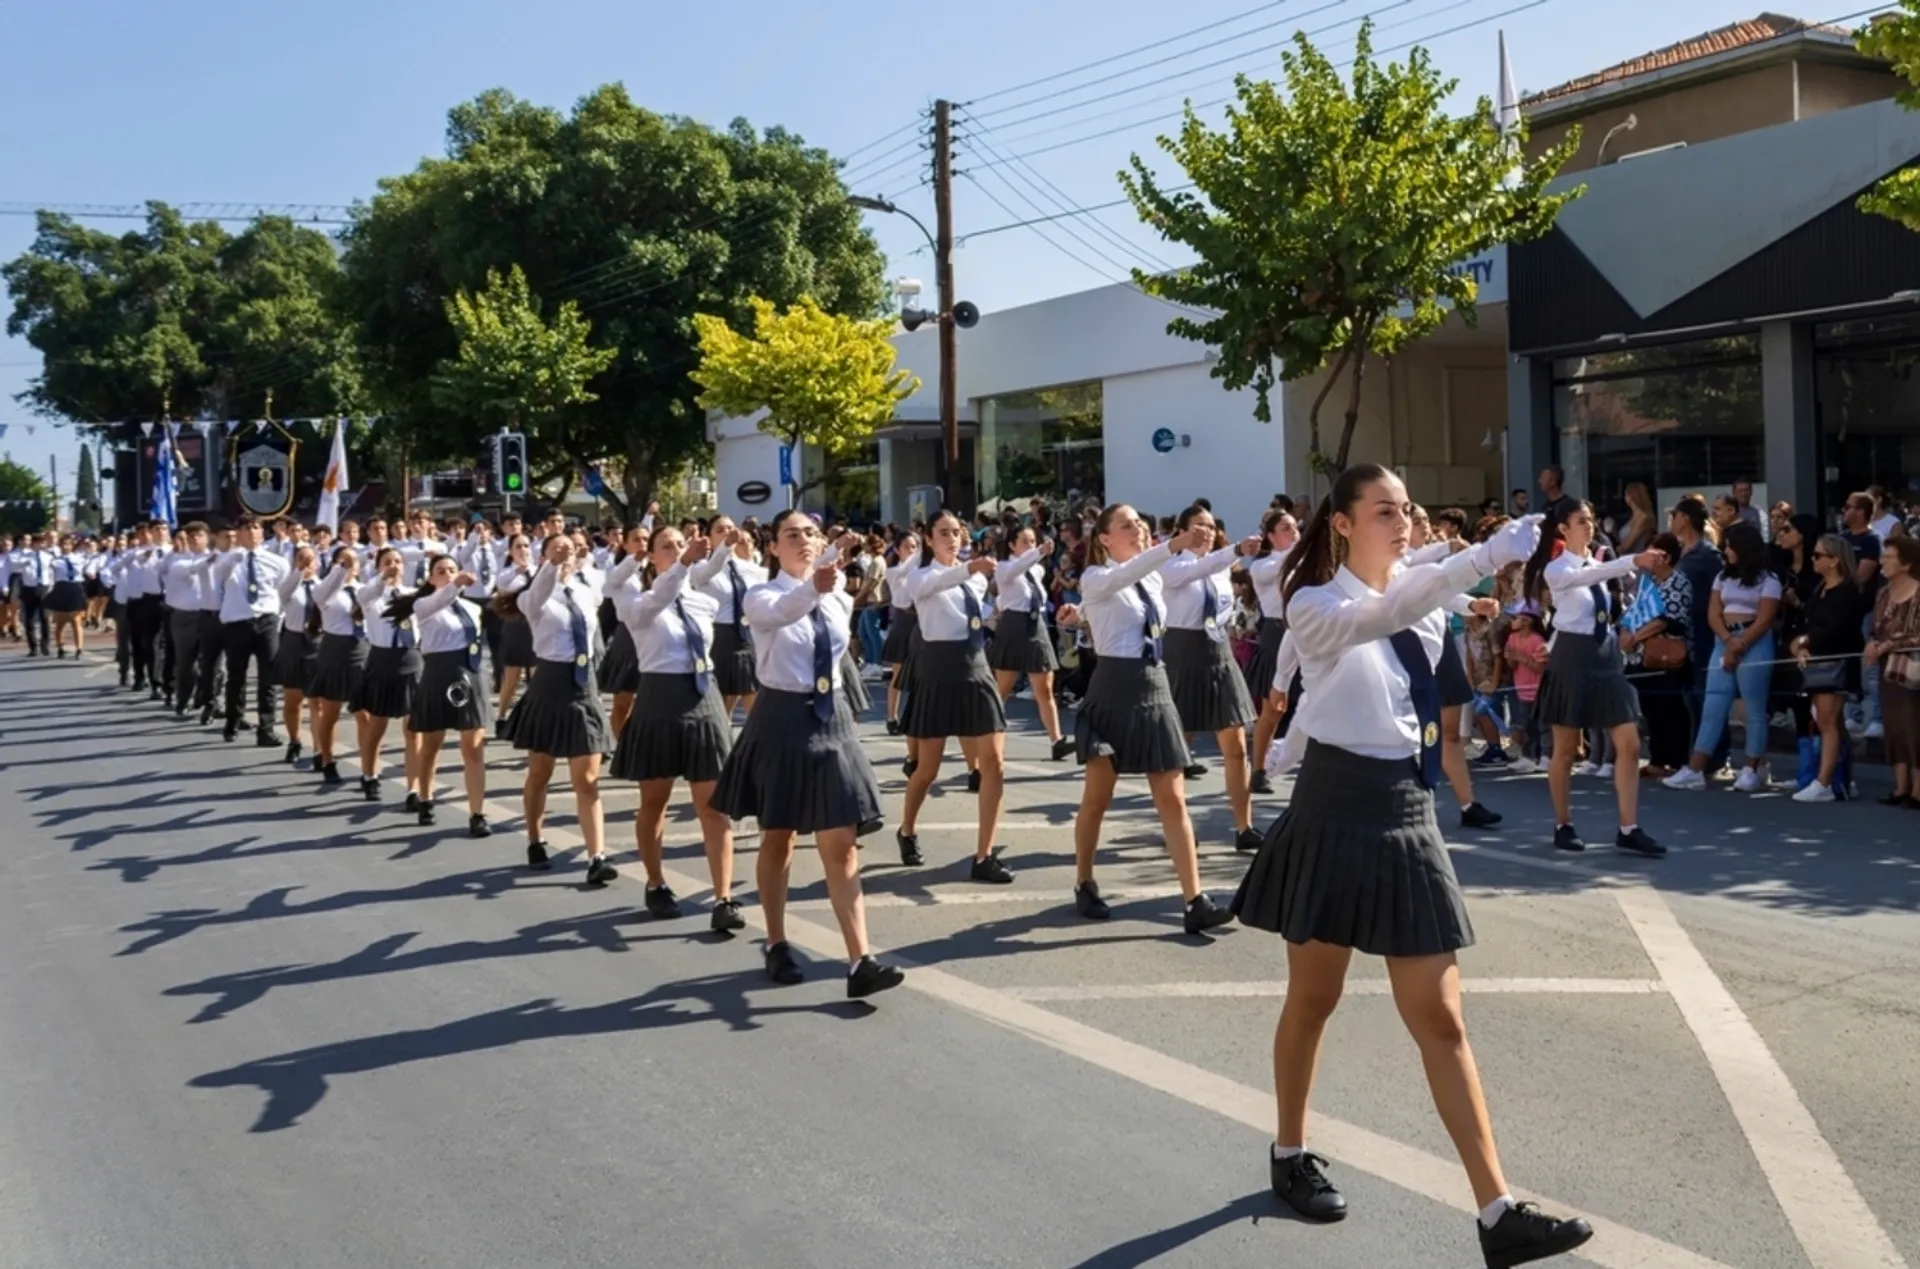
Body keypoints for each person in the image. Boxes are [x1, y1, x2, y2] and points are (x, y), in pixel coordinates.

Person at [1230, 466, 1591, 1265]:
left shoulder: (1420, 594)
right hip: (1333, 803)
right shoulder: (1314, 603)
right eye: (1384, 511)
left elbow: (1417, 598)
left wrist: (1480, 575)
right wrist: (1478, 557)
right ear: (1344, 525)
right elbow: (1386, 608)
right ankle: (1289, 1151)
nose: (1402, 522)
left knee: (1442, 1015)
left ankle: (1497, 1211)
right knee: (1314, 998)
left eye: (1406, 510)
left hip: (1405, 805)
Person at [709, 508, 903, 998]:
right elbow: (784, 611)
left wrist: (832, 565)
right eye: (791, 534)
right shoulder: (761, 595)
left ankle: (861, 959)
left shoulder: (834, 594)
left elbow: (835, 648)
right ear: (772, 547)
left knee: (841, 843)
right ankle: (775, 940)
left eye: (811, 534)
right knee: (780, 838)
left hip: (830, 716)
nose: (802, 540)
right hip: (781, 717)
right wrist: (817, 582)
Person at [1055, 506, 1233, 935]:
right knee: (1098, 797)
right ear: (1103, 539)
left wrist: (1082, 616)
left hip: (1155, 685)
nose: (1136, 529)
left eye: (1139, 524)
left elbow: (1144, 594)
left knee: (1173, 797)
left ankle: (1194, 899)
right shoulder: (1096, 576)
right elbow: (1119, 580)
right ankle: (1084, 880)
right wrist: (1171, 545)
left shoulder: (1152, 576)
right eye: (1125, 525)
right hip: (1113, 688)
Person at [609, 524, 746, 931]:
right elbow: (662, 593)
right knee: (655, 803)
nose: (675, 550)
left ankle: (723, 897)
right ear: (651, 557)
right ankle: (655, 881)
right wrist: (683, 565)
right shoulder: (638, 602)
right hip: (658, 701)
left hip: (702, 697)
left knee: (713, 806)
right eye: (665, 547)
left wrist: (720, 551)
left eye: (680, 545)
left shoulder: (702, 602)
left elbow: (705, 582)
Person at [1522, 501, 1666, 856]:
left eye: (1590, 520)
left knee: (1629, 743)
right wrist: (1632, 560)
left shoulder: (1596, 566)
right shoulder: (1558, 570)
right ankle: (1563, 822)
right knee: (1567, 750)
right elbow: (1577, 595)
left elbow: (1574, 614)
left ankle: (1628, 827)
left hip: (1604, 655)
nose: (1589, 526)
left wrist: (1549, 644)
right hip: (1573, 659)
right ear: (1563, 529)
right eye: (1581, 521)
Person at [893, 509, 1013, 882]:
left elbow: (976, 615)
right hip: (939, 673)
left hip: (975, 668)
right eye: (943, 533)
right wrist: (970, 569)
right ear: (928, 538)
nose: (952, 538)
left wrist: (1000, 613)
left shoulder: (972, 581)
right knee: (927, 768)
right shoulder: (920, 576)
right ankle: (907, 829)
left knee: (993, 764)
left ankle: (984, 856)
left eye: (957, 533)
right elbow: (934, 587)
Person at [1157, 502, 1264, 851]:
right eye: (1196, 526)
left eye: (1209, 526)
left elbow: (1223, 603)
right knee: (1178, 749)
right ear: (1182, 531)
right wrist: (1234, 551)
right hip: (1182, 654)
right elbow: (1195, 571)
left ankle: (1244, 826)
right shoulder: (1171, 565)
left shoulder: (1220, 569)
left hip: (1218, 653)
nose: (1205, 532)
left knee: (1234, 748)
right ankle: (1178, 826)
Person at [508, 534, 615, 878]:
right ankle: (535, 838)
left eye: (569, 550)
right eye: (556, 550)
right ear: (543, 557)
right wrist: (553, 564)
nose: (565, 555)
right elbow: (538, 593)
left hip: (584, 685)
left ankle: (596, 857)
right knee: (540, 773)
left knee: (586, 778)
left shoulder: (585, 591)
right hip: (550, 685)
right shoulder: (533, 597)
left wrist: (587, 559)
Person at [1661, 522, 1781, 794]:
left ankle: (1751, 768)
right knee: (1713, 704)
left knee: (1754, 706)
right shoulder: (1723, 577)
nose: (1726, 551)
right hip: (1723, 640)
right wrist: (1728, 641)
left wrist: (1740, 644)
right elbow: (1713, 613)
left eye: (1731, 546)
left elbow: (1764, 620)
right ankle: (1695, 768)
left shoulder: (1769, 580)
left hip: (1755, 642)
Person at [393, 554, 495, 834]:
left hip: (469, 672)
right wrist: (456, 585)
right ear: (431, 578)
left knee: (473, 745)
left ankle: (477, 813)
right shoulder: (425, 604)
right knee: (432, 743)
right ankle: (425, 797)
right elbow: (440, 600)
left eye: (452, 569)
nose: (448, 574)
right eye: (441, 570)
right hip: (441, 672)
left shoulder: (472, 608)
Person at [1790, 535, 1868, 803]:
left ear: (1835, 560)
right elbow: (1809, 624)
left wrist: (1805, 642)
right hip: (1816, 662)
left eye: (1819, 555)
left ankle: (1823, 782)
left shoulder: (1847, 592)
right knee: (1828, 721)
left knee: (1827, 720)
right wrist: (1799, 643)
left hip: (1836, 662)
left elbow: (1834, 628)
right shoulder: (1819, 589)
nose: (1814, 559)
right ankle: (1842, 778)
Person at [987, 523, 1072, 760]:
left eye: (1033, 542)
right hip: (1013, 626)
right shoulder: (1004, 567)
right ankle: (988, 732)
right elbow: (1014, 571)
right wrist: (1039, 553)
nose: (1030, 546)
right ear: (1012, 545)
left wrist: (1038, 555)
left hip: (1036, 625)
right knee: (1003, 686)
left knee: (1044, 687)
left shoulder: (1037, 570)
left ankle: (1057, 740)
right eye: (1024, 541)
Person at [1243, 509, 1300, 795]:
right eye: (1287, 529)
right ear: (1271, 536)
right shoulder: (1262, 566)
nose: (1294, 533)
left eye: (1296, 528)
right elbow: (1281, 566)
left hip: (1306, 632)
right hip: (1277, 635)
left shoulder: (1302, 560)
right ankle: (1258, 769)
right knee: (1272, 710)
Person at [307, 546, 369, 788]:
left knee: (365, 714)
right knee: (330, 712)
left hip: (361, 650)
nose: (351, 564)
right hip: (335, 651)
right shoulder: (327, 591)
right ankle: (327, 759)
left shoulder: (364, 590)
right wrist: (341, 568)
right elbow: (324, 592)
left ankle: (368, 768)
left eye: (354, 561)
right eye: (344, 560)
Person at [1864, 535, 1920, 807]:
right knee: (1894, 727)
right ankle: (1900, 787)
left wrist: (1888, 644)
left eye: (1889, 557)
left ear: (1907, 563)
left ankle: (1918, 790)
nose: (1882, 562)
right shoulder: (1883, 594)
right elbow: (1876, 628)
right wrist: (1873, 643)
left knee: (1915, 727)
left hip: (1913, 670)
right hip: (1888, 670)